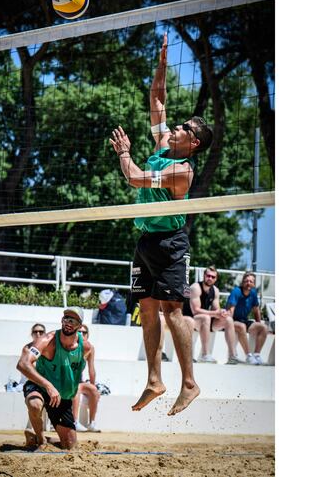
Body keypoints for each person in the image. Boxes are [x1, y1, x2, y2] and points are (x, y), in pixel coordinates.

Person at [108, 32, 214, 416]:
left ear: (194, 143)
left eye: (185, 128)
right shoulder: (162, 145)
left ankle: (189, 382)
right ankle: (155, 380)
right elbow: (156, 98)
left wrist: (124, 154)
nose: (177, 127)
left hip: (170, 243)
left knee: (173, 310)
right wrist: (163, 63)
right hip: (145, 240)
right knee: (148, 308)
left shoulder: (180, 170)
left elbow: (135, 178)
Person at [17, 307, 90, 449]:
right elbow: (22, 364)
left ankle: (40, 439)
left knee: (70, 446)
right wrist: (48, 385)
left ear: (79, 326)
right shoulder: (47, 340)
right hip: (39, 385)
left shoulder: (85, 347)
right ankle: (40, 438)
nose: (68, 322)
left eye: (72, 320)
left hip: (60, 396)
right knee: (34, 404)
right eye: (66, 319)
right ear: (61, 321)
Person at [183, 266, 239, 364]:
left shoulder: (215, 290)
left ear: (216, 279)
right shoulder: (195, 288)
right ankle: (205, 355)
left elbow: (216, 309)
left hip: (205, 321)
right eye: (208, 276)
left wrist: (222, 313)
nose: (210, 278)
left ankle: (232, 356)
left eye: (213, 277)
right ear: (204, 276)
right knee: (206, 317)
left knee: (228, 320)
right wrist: (215, 313)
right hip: (190, 319)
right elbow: (195, 311)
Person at [226, 272, 268, 365]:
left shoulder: (253, 293)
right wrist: (229, 324)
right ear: (242, 282)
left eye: (251, 281)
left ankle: (256, 355)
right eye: (246, 281)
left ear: (253, 284)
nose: (248, 283)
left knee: (263, 328)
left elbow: (256, 310)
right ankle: (249, 356)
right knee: (241, 326)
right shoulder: (236, 291)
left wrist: (259, 323)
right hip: (232, 320)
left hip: (244, 320)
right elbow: (231, 310)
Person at [71, 324, 101, 432]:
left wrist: (93, 386)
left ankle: (92, 423)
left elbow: (91, 369)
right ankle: (74, 422)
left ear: (87, 335)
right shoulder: (70, 346)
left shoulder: (90, 349)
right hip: (66, 380)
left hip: (79, 381)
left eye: (84, 333)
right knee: (76, 389)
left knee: (94, 390)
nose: (81, 334)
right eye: (79, 332)